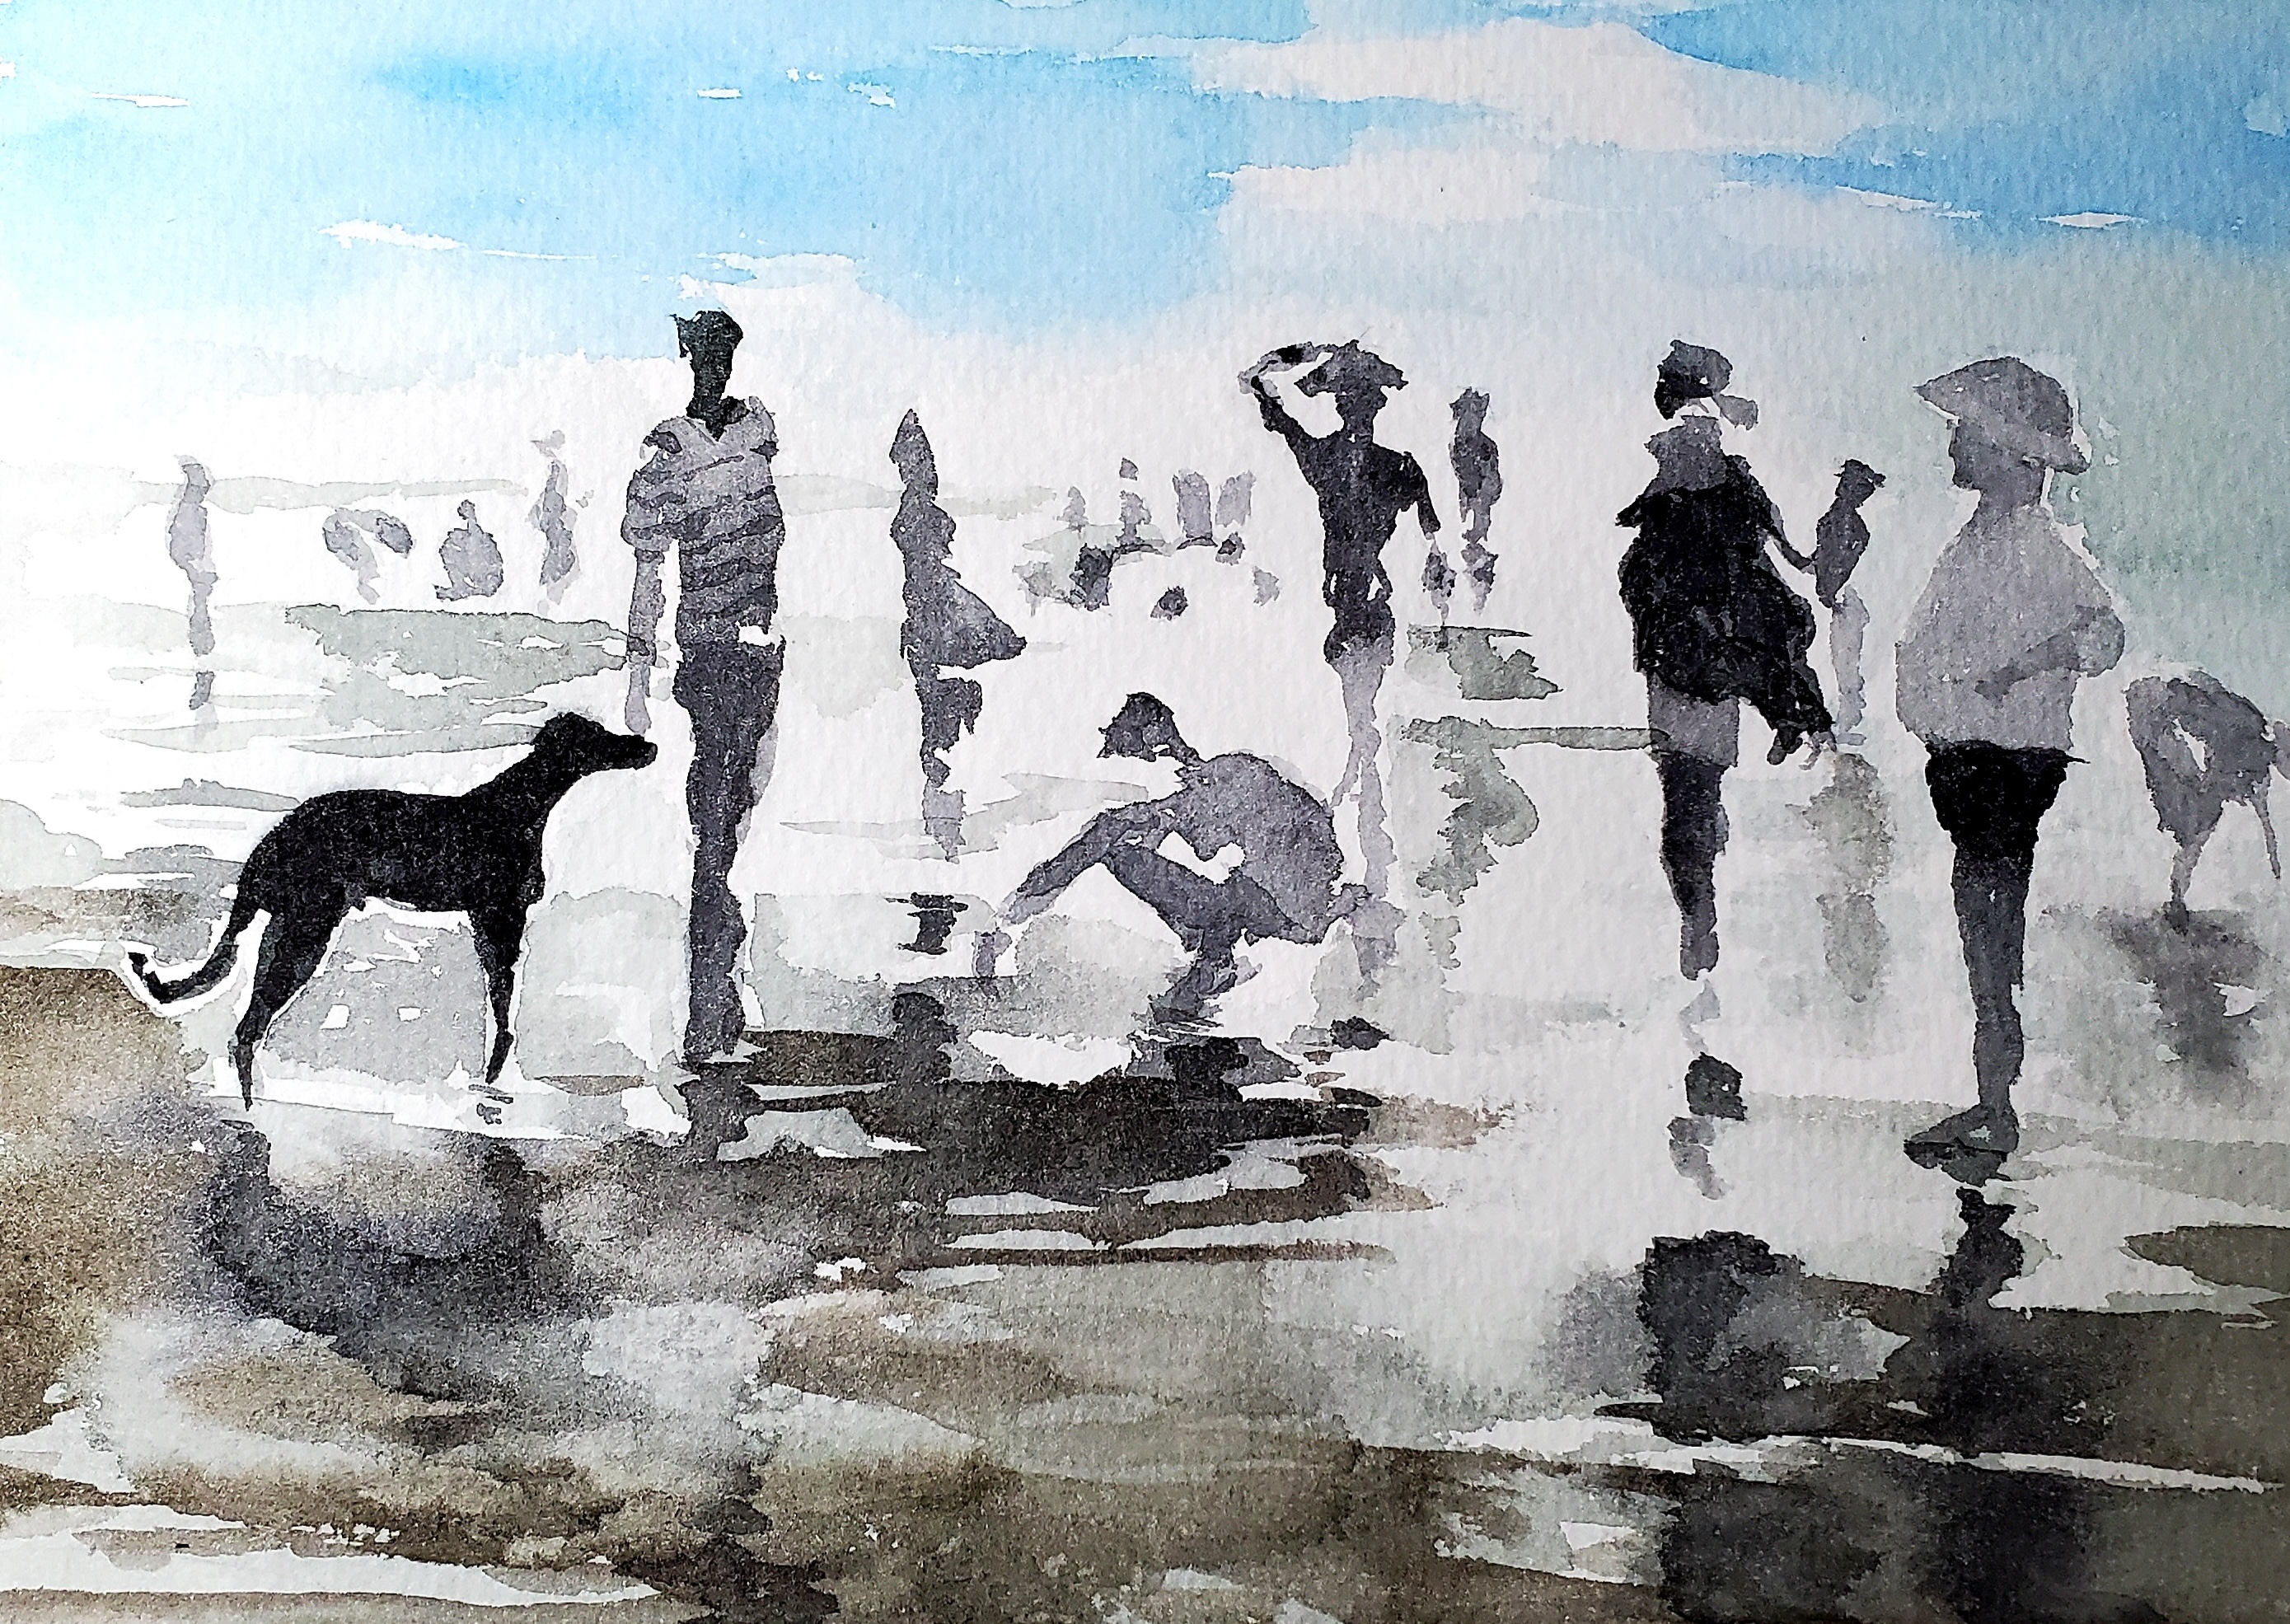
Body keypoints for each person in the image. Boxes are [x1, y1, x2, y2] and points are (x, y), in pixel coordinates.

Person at [1897, 357, 2123, 1162]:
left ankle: (1996, 1105)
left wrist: (2019, 669)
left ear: (2006, 450)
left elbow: (2102, 635)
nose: (1952, 444)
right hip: (1978, 757)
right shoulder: (1988, 536)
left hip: (2000, 760)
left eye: (1965, 432)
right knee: (1985, 923)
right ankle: (1993, 1097)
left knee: (1989, 925)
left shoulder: (2029, 543)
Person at [1617, 341, 1831, 978]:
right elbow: (1770, 582)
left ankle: (1696, 906)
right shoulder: (1716, 493)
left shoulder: (1695, 496)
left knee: (1687, 789)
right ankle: (1697, 903)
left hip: (1693, 661)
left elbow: (1765, 589)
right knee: (1690, 788)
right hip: (1694, 659)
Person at [622, 310, 789, 1063]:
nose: (714, 368)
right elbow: (647, 570)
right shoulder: (668, 453)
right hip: (711, 656)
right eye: (705, 356)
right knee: (716, 828)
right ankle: (708, 1011)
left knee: (734, 822)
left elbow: (770, 551)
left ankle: (718, 994)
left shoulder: (758, 437)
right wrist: (638, 673)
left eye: (725, 355)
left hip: (762, 655)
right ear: (690, 359)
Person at [979, 695, 1360, 1021]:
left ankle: (1209, 967)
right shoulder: (1226, 773)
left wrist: (1146, 822)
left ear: (1153, 735)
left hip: (1285, 904)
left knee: (1117, 837)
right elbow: (1197, 829)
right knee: (1127, 843)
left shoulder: (1225, 778)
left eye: (1140, 747)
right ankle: (1210, 965)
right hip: (1286, 896)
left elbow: (1203, 838)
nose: (1141, 756)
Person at [890, 410, 1025, 856]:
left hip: (927, 625)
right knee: (937, 721)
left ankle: (944, 819)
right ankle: (943, 820)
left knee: (936, 721)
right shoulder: (917, 514)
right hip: (928, 624)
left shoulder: (917, 514)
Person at [2126, 671, 2287, 928]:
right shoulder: (2247, 730)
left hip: (2162, 714)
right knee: (2193, 822)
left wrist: (2277, 873)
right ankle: (2175, 902)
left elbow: (2267, 827)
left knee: (2197, 824)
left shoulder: (2256, 754)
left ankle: (2176, 901)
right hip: (2155, 712)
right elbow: (2197, 702)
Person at [1811, 460, 1885, 742]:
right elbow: (1824, 557)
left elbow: (1840, 562)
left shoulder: (1848, 523)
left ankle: (1850, 716)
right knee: (1842, 655)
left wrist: (1829, 591)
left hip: (1846, 595)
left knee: (1845, 655)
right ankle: (1847, 715)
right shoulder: (1836, 518)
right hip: (1840, 594)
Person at [1449, 388, 1503, 611]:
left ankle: (1479, 599)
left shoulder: (1486, 447)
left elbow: (1492, 482)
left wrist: (1479, 503)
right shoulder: (1455, 444)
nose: (1475, 419)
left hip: (1479, 504)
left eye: (1479, 413)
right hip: (1465, 503)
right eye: (1470, 413)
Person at [437, 499, 504, 601]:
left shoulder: (476, 544)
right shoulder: (455, 569)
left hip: (486, 568)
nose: (444, 551)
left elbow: (489, 588)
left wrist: (470, 515)